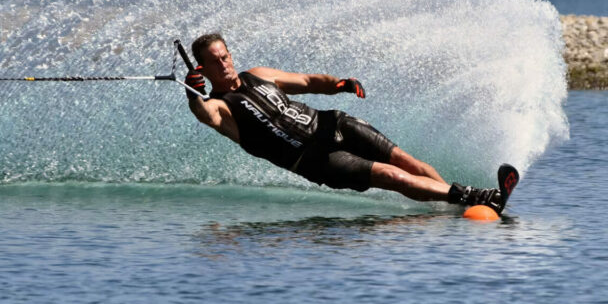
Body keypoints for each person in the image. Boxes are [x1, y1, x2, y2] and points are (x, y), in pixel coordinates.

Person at [184, 32, 502, 209]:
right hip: (316, 160)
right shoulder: (219, 106)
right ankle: (473, 197)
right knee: (393, 176)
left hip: (332, 124)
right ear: (203, 70)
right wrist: (193, 95)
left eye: (225, 56)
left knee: (408, 162)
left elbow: (309, 82)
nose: (223, 64)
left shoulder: (257, 75)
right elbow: (205, 116)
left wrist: (339, 85)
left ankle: (454, 204)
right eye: (214, 62)